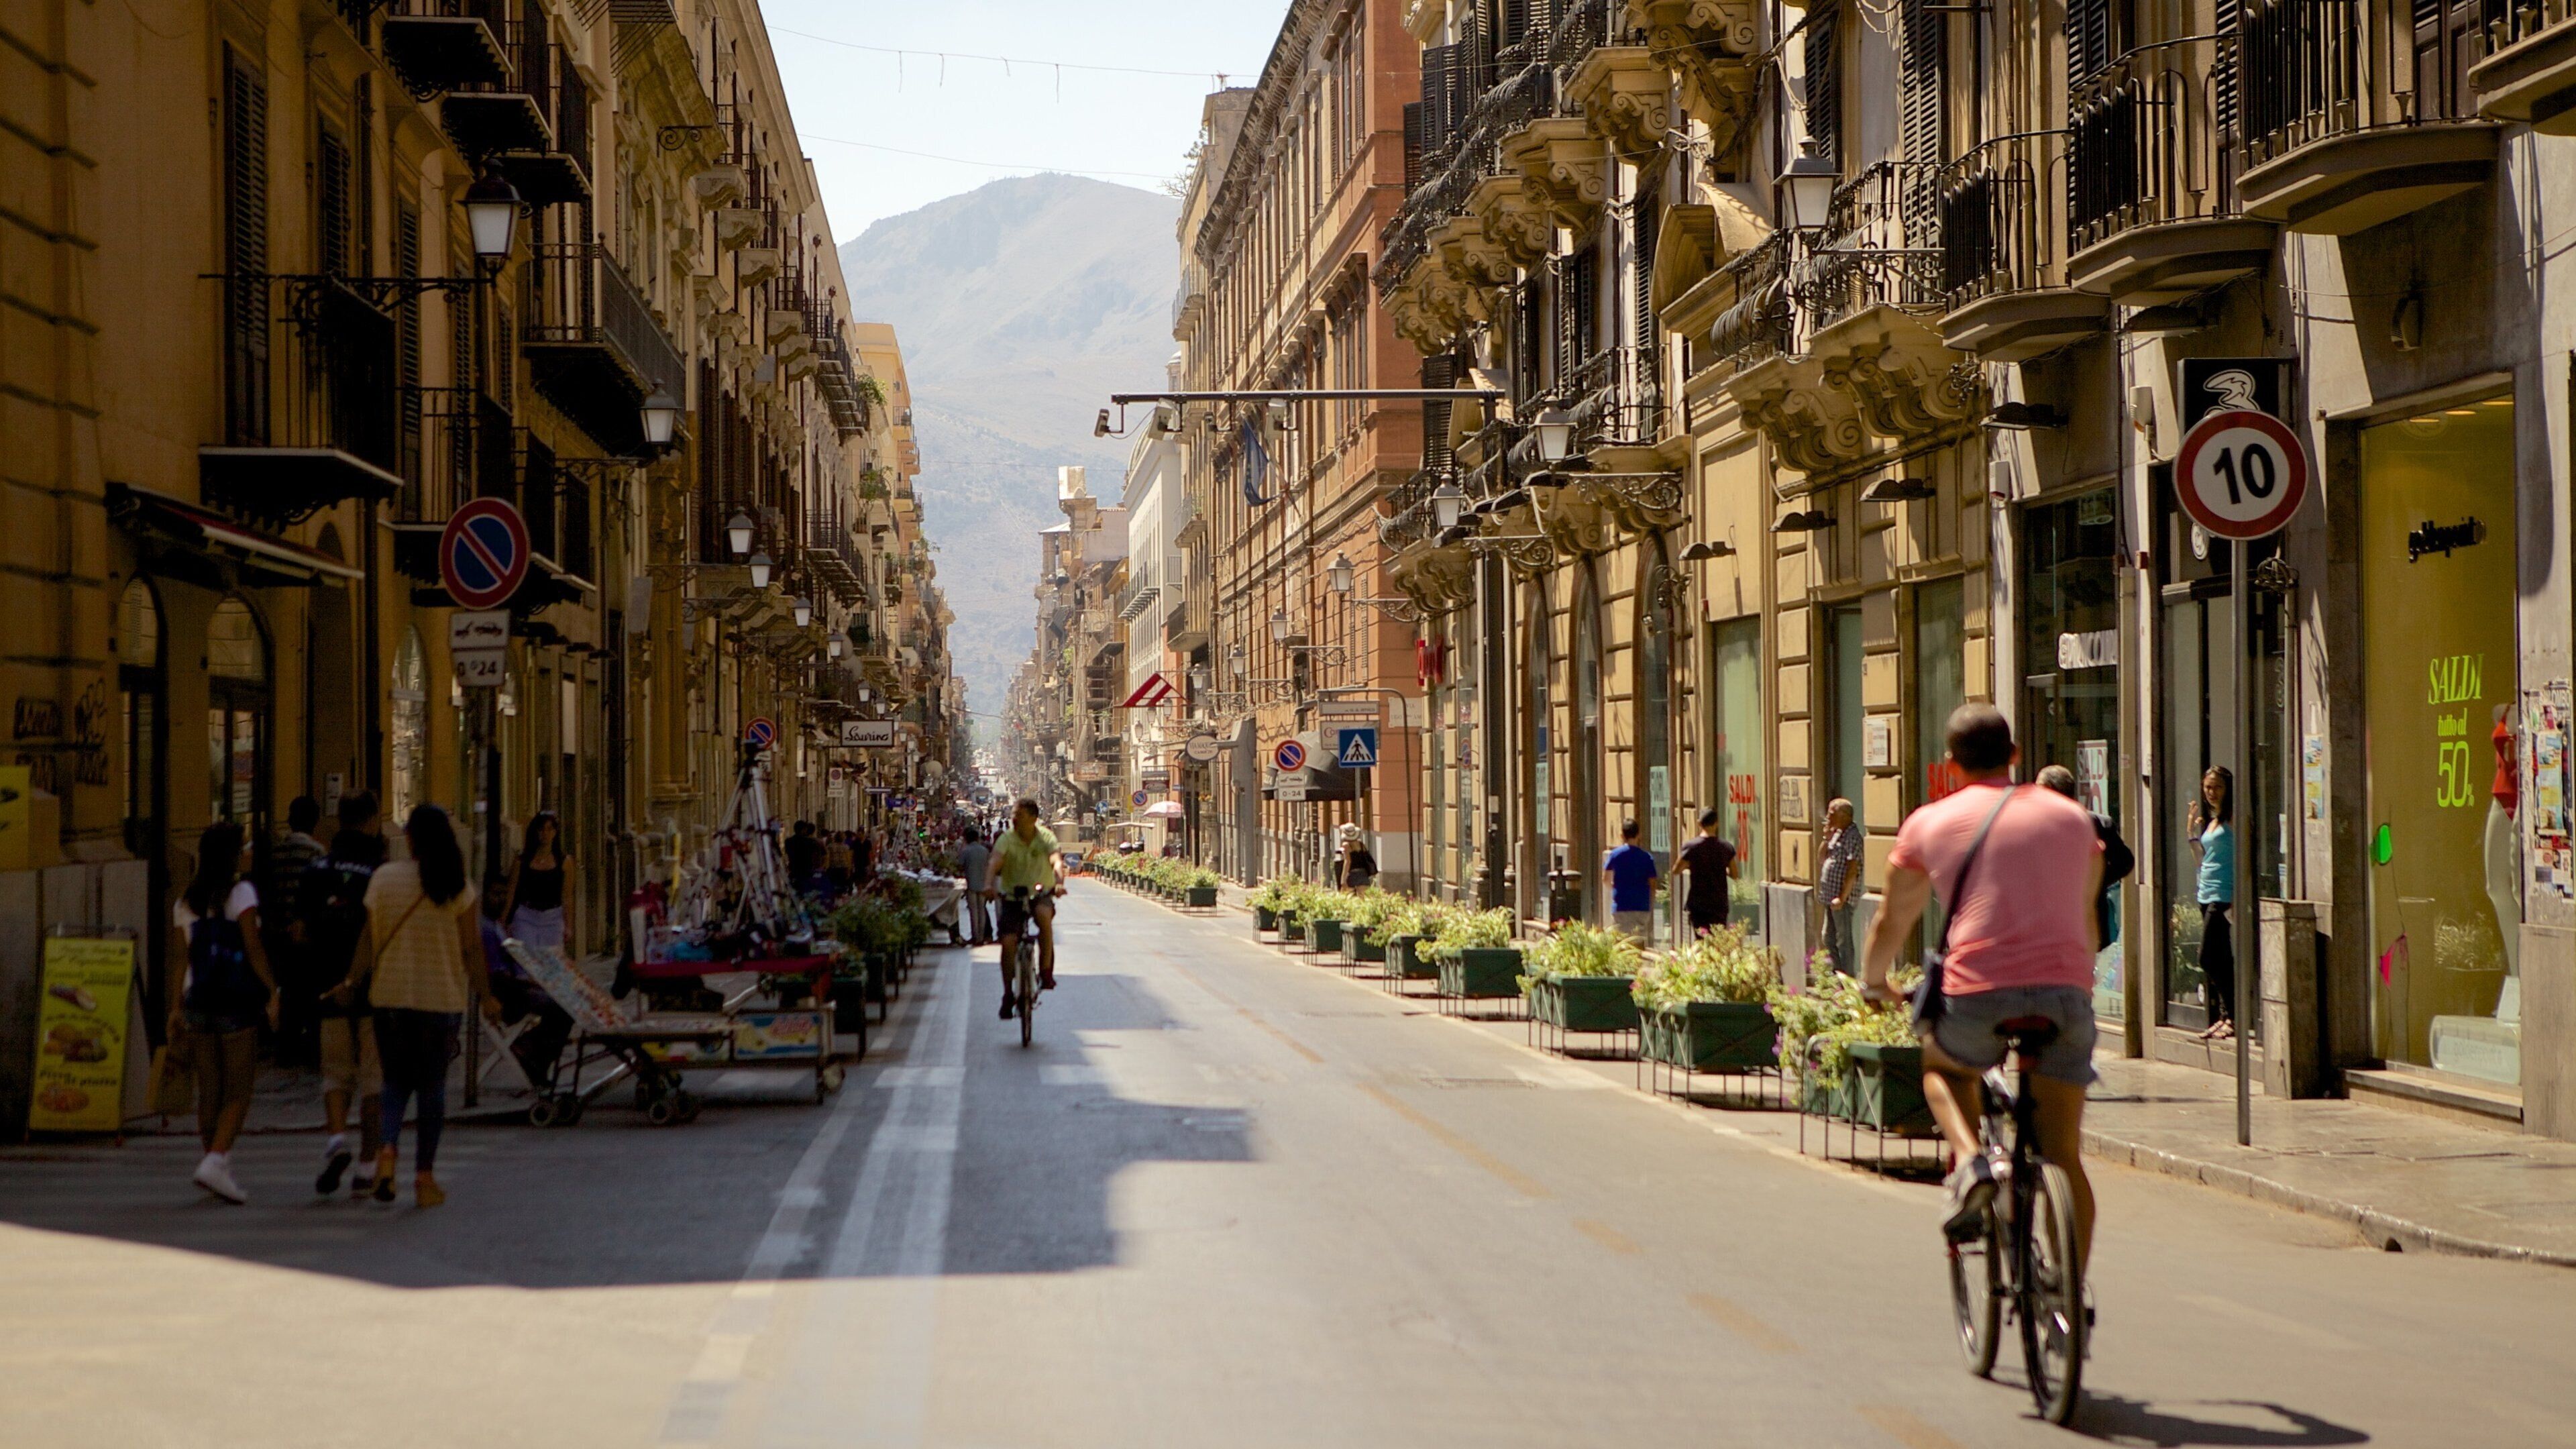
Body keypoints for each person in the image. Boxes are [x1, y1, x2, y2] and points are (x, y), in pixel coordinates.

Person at [1861, 704, 2104, 1265]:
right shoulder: (2072, 819)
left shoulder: (1929, 822)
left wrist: (1875, 984)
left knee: (1943, 1068)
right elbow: (2086, 916)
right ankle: (2068, 1303)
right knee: (2064, 1152)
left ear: (1950, 765)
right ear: (2015, 756)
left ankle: (1971, 1162)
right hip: (2065, 995)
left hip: (1976, 992)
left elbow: (1892, 920)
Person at [340, 805, 492, 1208]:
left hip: (389, 999)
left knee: (394, 1083)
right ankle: (424, 1177)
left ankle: (387, 1152)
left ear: (410, 840)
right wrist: (488, 995)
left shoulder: (384, 879)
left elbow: (368, 941)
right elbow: (472, 948)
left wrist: (352, 979)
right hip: (439, 1001)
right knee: (431, 1089)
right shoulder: (458, 886)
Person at [171, 821, 279, 1205]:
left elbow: (182, 960)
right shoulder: (241, 893)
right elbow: (253, 948)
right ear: (232, 855)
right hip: (235, 1003)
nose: (248, 850)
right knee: (239, 1091)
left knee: (210, 1093)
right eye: (243, 846)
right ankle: (216, 1162)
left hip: (197, 1002)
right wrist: (272, 991)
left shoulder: (186, 900)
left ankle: (215, 1164)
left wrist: (175, 1009)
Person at [299, 792, 386, 1197]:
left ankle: (336, 1140)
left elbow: (300, 931)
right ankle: (367, 1167)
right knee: (373, 1078)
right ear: (371, 820)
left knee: (334, 1071)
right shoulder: (379, 872)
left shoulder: (315, 870)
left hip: (325, 985)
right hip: (372, 987)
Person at [480, 876, 574, 1089]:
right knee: (563, 1009)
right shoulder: (485, 928)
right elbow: (499, 976)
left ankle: (535, 1057)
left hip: (514, 988)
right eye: (496, 894)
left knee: (565, 1003)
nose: (502, 900)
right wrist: (532, 985)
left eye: (505, 894)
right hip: (507, 995)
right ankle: (529, 1049)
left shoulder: (498, 926)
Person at [2035, 765, 2135, 959]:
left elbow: (2125, 861)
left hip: (2083, 922)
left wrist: (2093, 883)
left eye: (2038, 789)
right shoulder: (2034, 826)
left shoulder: (2097, 824)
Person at [985, 798, 1066, 1020]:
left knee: (1043, 917)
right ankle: (1008, 993)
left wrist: (1059, 881)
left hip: (1040, 894)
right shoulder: (1007, 839)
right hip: (1012, 895)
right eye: (1013, 813)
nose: (1014, 817)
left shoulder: (1045, 837)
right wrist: (988, 885)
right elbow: (995, 862)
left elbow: (1056, 860)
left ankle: (1046, 971)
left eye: (1018, 814)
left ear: (1033, 818)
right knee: (1009, 942)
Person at [266, 796, 327, 1062]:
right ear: (315, 822)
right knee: (310, 989)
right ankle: (311, 1043)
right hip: (307, 934)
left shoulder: (276, 852)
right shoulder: (316, 853)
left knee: (288, 988)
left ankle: (287, 1043)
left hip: (279, 931)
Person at [2188, 765, 2237, 1041]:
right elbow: (2201, 860)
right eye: (2207, 787)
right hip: (2205, 893)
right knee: (2220, 958)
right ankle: (2225, 1017)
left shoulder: (2232, 819)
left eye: (2217, 787)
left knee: (2207, 956)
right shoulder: (2212, 821)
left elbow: (2245, 856)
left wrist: (2239, 898)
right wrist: (2191, 833)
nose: (2211, 793)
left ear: (2228, 788)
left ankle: (2232, 1015)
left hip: (2223, 895)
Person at [500, 811, 570, 955]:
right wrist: (504, 918)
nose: (545, 834)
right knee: (526, 962)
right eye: (541, 829)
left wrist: (568, 925)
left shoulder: (565, 862)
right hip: (526, 916)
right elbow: (511, 892)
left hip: (553, 918)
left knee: (551, 965)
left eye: (550, 829)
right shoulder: (521, 862)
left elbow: (567, 896)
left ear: (555, 832)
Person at [1817, 799, 1864, 974]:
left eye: (1831, 813)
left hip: (1841, 899)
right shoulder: (1837, 834)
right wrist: (1825, 838)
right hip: (1830, 896)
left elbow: (1852, 870)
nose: (1828, 817)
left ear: (1844, 816)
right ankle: (1838, 975)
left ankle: (1848, 981)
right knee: (1828, 938)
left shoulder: (1853, 837)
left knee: (1844, 941)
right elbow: (1822, 859)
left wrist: (1842, 897)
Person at [1678, 808, 1739, 936]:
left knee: (1701, 942)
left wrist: (1691, 864)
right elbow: (1735, 875)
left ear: (1699, 824)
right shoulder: (1726, 847)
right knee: (1717, 943)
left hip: (1698, 905)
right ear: (1716, 824)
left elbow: (1676, 869)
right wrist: (1723, 869)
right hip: (1719, 904)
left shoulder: (1691, 847)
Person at [1603, 819, 1660, 941]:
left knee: (1622, 943)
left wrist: (1613, 888)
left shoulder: (1615, 855)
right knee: (1638, 942)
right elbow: (1653, 884)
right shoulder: (1647, 857)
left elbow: (1605, 879)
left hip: (1621, 906)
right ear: (1639, 835)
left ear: (1622, 836)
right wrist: (1651, 903)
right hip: (1641, 906)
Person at [955, 828, 993, 947]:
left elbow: (960, 866)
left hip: (971, 884)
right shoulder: (985, 851)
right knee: (982, 911)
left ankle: (975, 936)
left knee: (974, 912)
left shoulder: (966, 851)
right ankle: (981, 937)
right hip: (983, 884)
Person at [785, 819, 826, 894]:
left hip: (794, 870)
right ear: (804, 830)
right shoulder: (811, 842)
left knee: (795, 894)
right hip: (807, 872)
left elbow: (787, 854)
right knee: (807, 894)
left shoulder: (788, 841)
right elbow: (815, 857)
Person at [1340, 826, 1379, 890]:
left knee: (1346, 897)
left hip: (1352, 874)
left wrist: (1343, 879)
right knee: (1362, 898)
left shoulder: (1346, 846)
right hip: (1363, 874)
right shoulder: (1361, 844)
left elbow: (1348, 862)